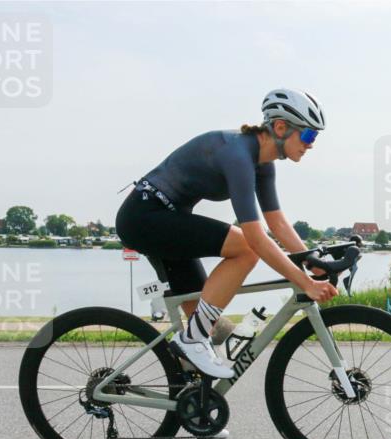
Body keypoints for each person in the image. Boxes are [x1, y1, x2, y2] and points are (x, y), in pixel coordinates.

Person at [116, 89, 338, 380]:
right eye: (308, 136)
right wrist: (304, 282)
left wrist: (311, 260)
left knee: (203, 326)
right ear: (281, 127)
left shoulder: (263, 164)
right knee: (244, 248)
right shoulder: (238, 154)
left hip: (168, 221)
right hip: (144, 217)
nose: (311, 145)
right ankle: (192, 342)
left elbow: (278, 224)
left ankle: (196, 410)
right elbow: (256, 238)